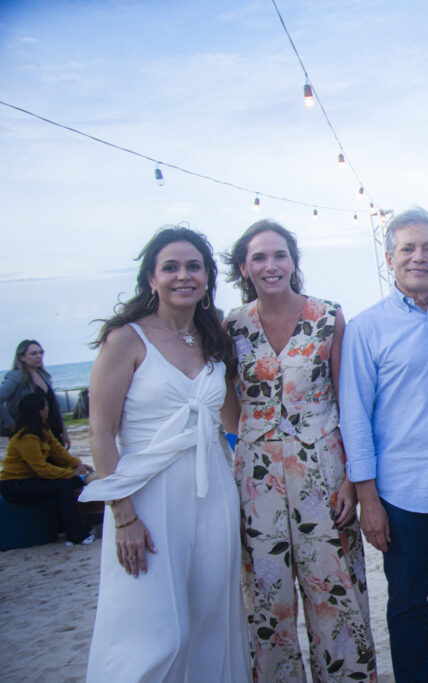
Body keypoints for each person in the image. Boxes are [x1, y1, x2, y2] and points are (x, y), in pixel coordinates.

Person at [79, 226, 250, 681]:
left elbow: (233, 421)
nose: (183, 276)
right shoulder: (126, 339)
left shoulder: (214, 339)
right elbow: (100, 433)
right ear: (151, 279)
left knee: (212, 620)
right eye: (170, 267)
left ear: (208, 277)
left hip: (213, 489)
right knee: (155, 633)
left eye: (194, 266)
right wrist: (123, 516)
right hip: (148, 494)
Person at [223, 219, 375, 682]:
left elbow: (347, 400)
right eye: (259, 258)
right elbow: (228, 407)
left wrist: (352, 477)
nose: (271, 266)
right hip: (257, 481)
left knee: (337, 592)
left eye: (279, 255)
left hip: (325, 477)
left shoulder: (328, 316)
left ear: (294, 261)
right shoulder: (231, 326)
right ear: (244, 268)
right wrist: (260, 438)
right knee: (268, 600)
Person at [340, 208, 428, 683]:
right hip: (399, 493)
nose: (418, 257)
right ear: (389, 259)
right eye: (407, 248)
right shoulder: (366, 328)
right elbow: (354, 417)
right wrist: (368, 500)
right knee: (405, 602)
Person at [0, 392, 94, 544]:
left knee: (75, 482)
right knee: (63, 486)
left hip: (29, 480)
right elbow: (42, 469)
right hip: (14, 485)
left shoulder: (42, 429)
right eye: (46, 406)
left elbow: (58, 452)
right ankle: (76, 535)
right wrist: (69, 473)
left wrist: (77, 464)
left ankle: (69, 525)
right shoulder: (25, 437)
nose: (48, 409)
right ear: (40, 411)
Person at [0, 340, 71, 447]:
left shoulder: (44, 376)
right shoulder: (15, 377)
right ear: (22, 357)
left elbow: (54, 407)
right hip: (30, 435)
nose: (39, 356)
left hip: (52, 432)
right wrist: (10, 424)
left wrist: (64, 431)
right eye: (34, 353)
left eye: (40, 352)